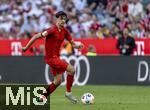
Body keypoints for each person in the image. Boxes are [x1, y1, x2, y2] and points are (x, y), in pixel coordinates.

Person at [22, 11, 83, 104]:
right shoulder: (51, 30)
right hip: (51, 58)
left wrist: (78, 46)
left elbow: (73, 44)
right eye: (61, 18)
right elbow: (36, 36)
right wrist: (26, 47)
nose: (63, 21)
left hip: (56, 58)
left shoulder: (65, 31)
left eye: (64, 19)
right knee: (72, 70)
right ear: (57, 19)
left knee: (58, 81)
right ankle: (68, 92)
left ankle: (41, 98)